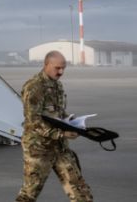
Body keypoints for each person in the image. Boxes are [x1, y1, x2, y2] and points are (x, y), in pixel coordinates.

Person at [15, 50, 92, 202]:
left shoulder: (57, 85)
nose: (61, 72)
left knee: (80, 190)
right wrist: (61, 134)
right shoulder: (34, 87)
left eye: (63, 68)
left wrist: (72, 122)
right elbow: (33, 121)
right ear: (46, 65)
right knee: (29, 193)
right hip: (39, 148)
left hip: (60, 147)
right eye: (57, 68)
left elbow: (58, 113)